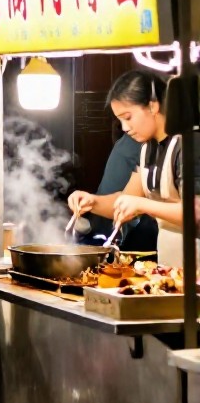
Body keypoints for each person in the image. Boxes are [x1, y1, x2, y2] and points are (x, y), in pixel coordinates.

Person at [68, 70, 184, 265]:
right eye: (120, 119)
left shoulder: (188, 145)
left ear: (153, 106)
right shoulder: (147, 149)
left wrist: (142, 205)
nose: (124, 127)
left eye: (128, 117)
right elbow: (127, 198)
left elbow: (196, 212)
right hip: (170, 265)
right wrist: (92, 202)